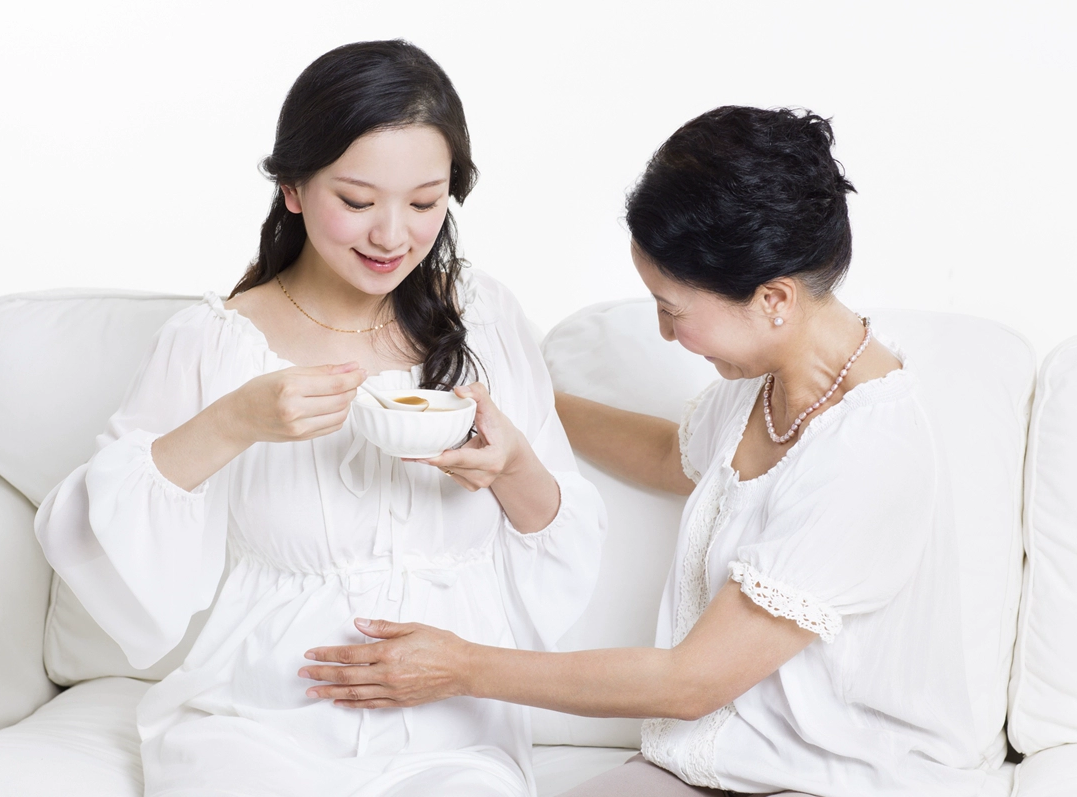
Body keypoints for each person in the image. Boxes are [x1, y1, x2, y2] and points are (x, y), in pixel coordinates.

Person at [302, 107, 996, 796]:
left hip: (845, 781)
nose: (665, 332)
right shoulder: (771, 380)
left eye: (673, 309)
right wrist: (522, 405)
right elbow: (673, 453)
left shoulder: (868, 453)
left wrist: (458, 666)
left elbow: (689, 681)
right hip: (701, 768)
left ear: (774, 297)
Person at [33, 40, 606, 797]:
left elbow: (564, 546)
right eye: (359, 202)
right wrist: (234, 421)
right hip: (259, 715)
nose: (393, 235)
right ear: (295, 189)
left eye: (426, 202)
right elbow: (89, 532)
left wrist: (512, 466)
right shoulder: (214, 341)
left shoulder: (485, 318)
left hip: (449, 724)